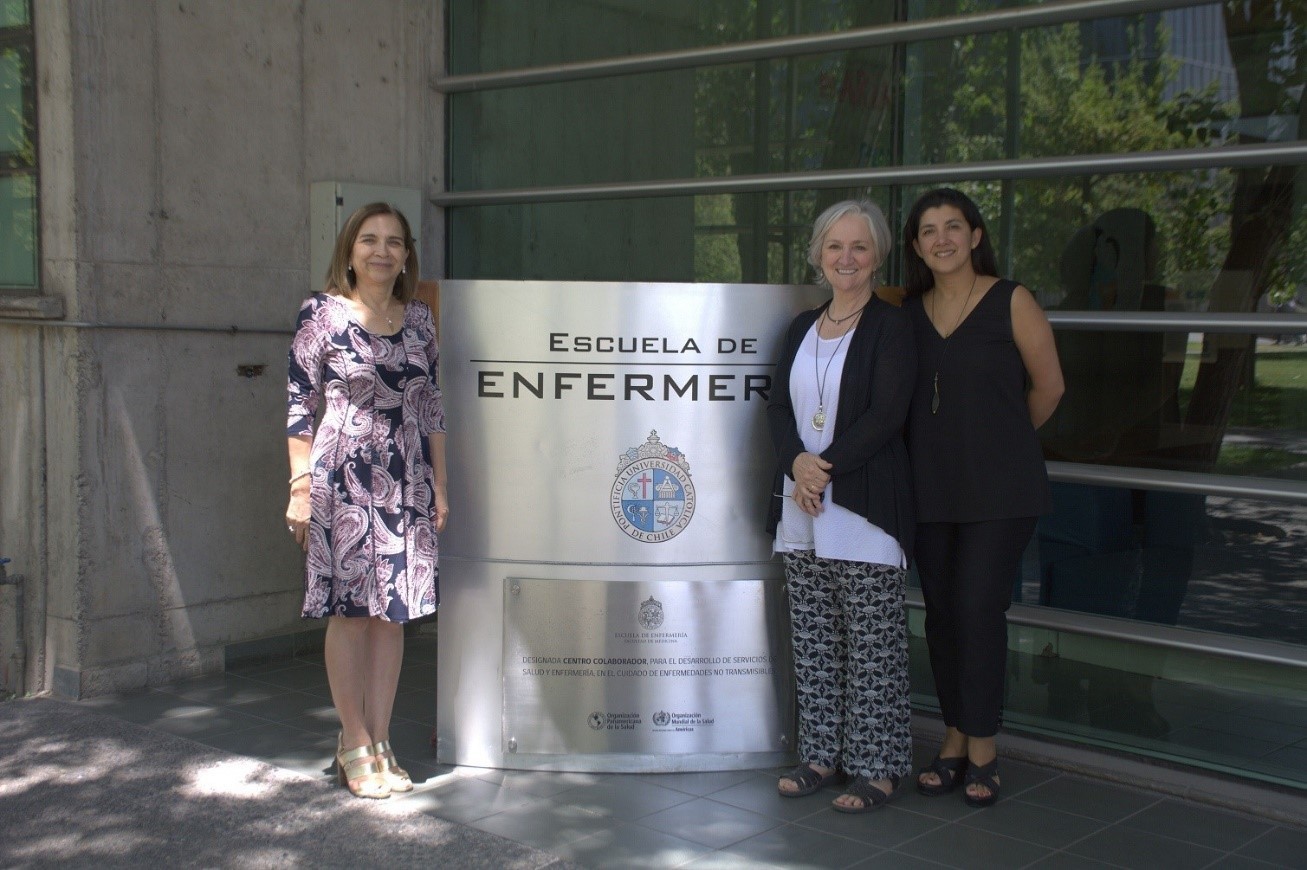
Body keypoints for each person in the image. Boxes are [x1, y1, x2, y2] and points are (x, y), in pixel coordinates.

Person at [902, 188, 1063, 808]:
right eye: (928, 231)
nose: (941, 239)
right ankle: (952, 737)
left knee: (976, 610)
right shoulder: (907, 312)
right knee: (941, 614)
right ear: (916, 246)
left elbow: (1049, 388)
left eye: (953, 227)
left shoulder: (1011, 300)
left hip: (1001, 490)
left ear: (974, 235)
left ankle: (984, 750)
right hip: (930, 490)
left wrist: (999, 439)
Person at [285, 202, 448, 799]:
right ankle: (352, 738)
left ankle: (379, 740)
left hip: (408, 478)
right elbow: (300, 406)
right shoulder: (321, 315)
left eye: (395, 242)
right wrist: (299, 488)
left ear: (407, 255)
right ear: (350, 250)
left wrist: (441, 485)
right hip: (343, 477)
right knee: (351, 612)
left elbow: (431, 407)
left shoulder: (421, 320)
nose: (383, 251)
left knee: (393, 614)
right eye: (370, 240)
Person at [766, 199, 916, 813]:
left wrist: (820, 468)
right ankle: (821, 757)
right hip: (802, 507)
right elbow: (778, 408)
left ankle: (878, 768)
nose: (846, 258)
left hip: (865, 509)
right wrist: (796, 465)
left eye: (858, 247)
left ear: (876, 254)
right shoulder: (802, 326)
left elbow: (887, 414)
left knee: (874, 644)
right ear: (819, 254)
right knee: (816, 638)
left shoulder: (892, 327)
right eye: (835, 246)